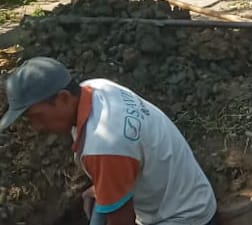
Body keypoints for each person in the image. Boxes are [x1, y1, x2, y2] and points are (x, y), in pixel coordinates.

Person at [0, 57, 217, 225]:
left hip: (184, 217)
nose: (37, 127)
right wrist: (103, 187)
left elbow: (121, 220)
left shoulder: (104, 146)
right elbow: (133, 153)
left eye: (38, 117)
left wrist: (109, 193)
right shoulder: (97, 88)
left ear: (64, 98)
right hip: (189, 195)